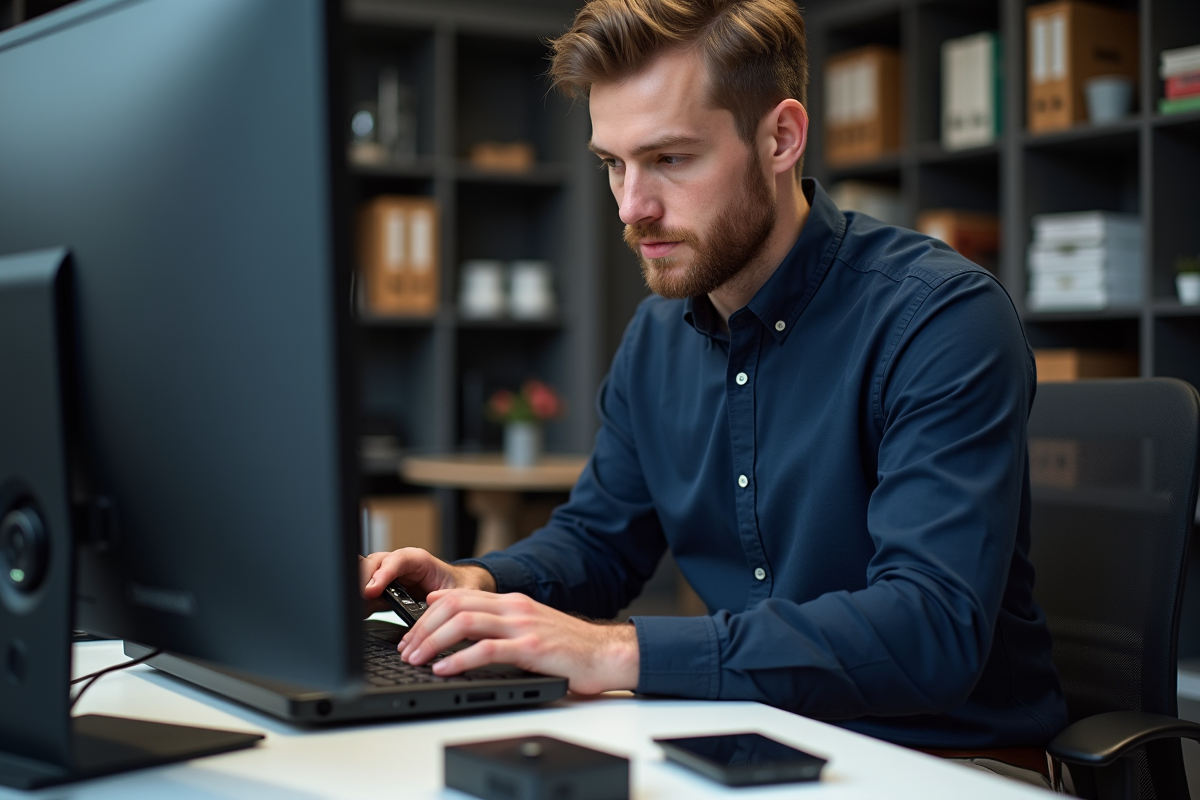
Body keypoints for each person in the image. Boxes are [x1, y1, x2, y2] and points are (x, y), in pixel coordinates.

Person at [361, 0, 1067, 765]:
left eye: (670, 158)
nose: (633, 208)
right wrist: (481, 582)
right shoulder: (656, 338)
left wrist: (617, 653)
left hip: (943, 764)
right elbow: (599, 543)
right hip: (749, 743)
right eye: (613, 164)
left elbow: (928, 628)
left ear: (780, 138)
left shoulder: (939, 320)